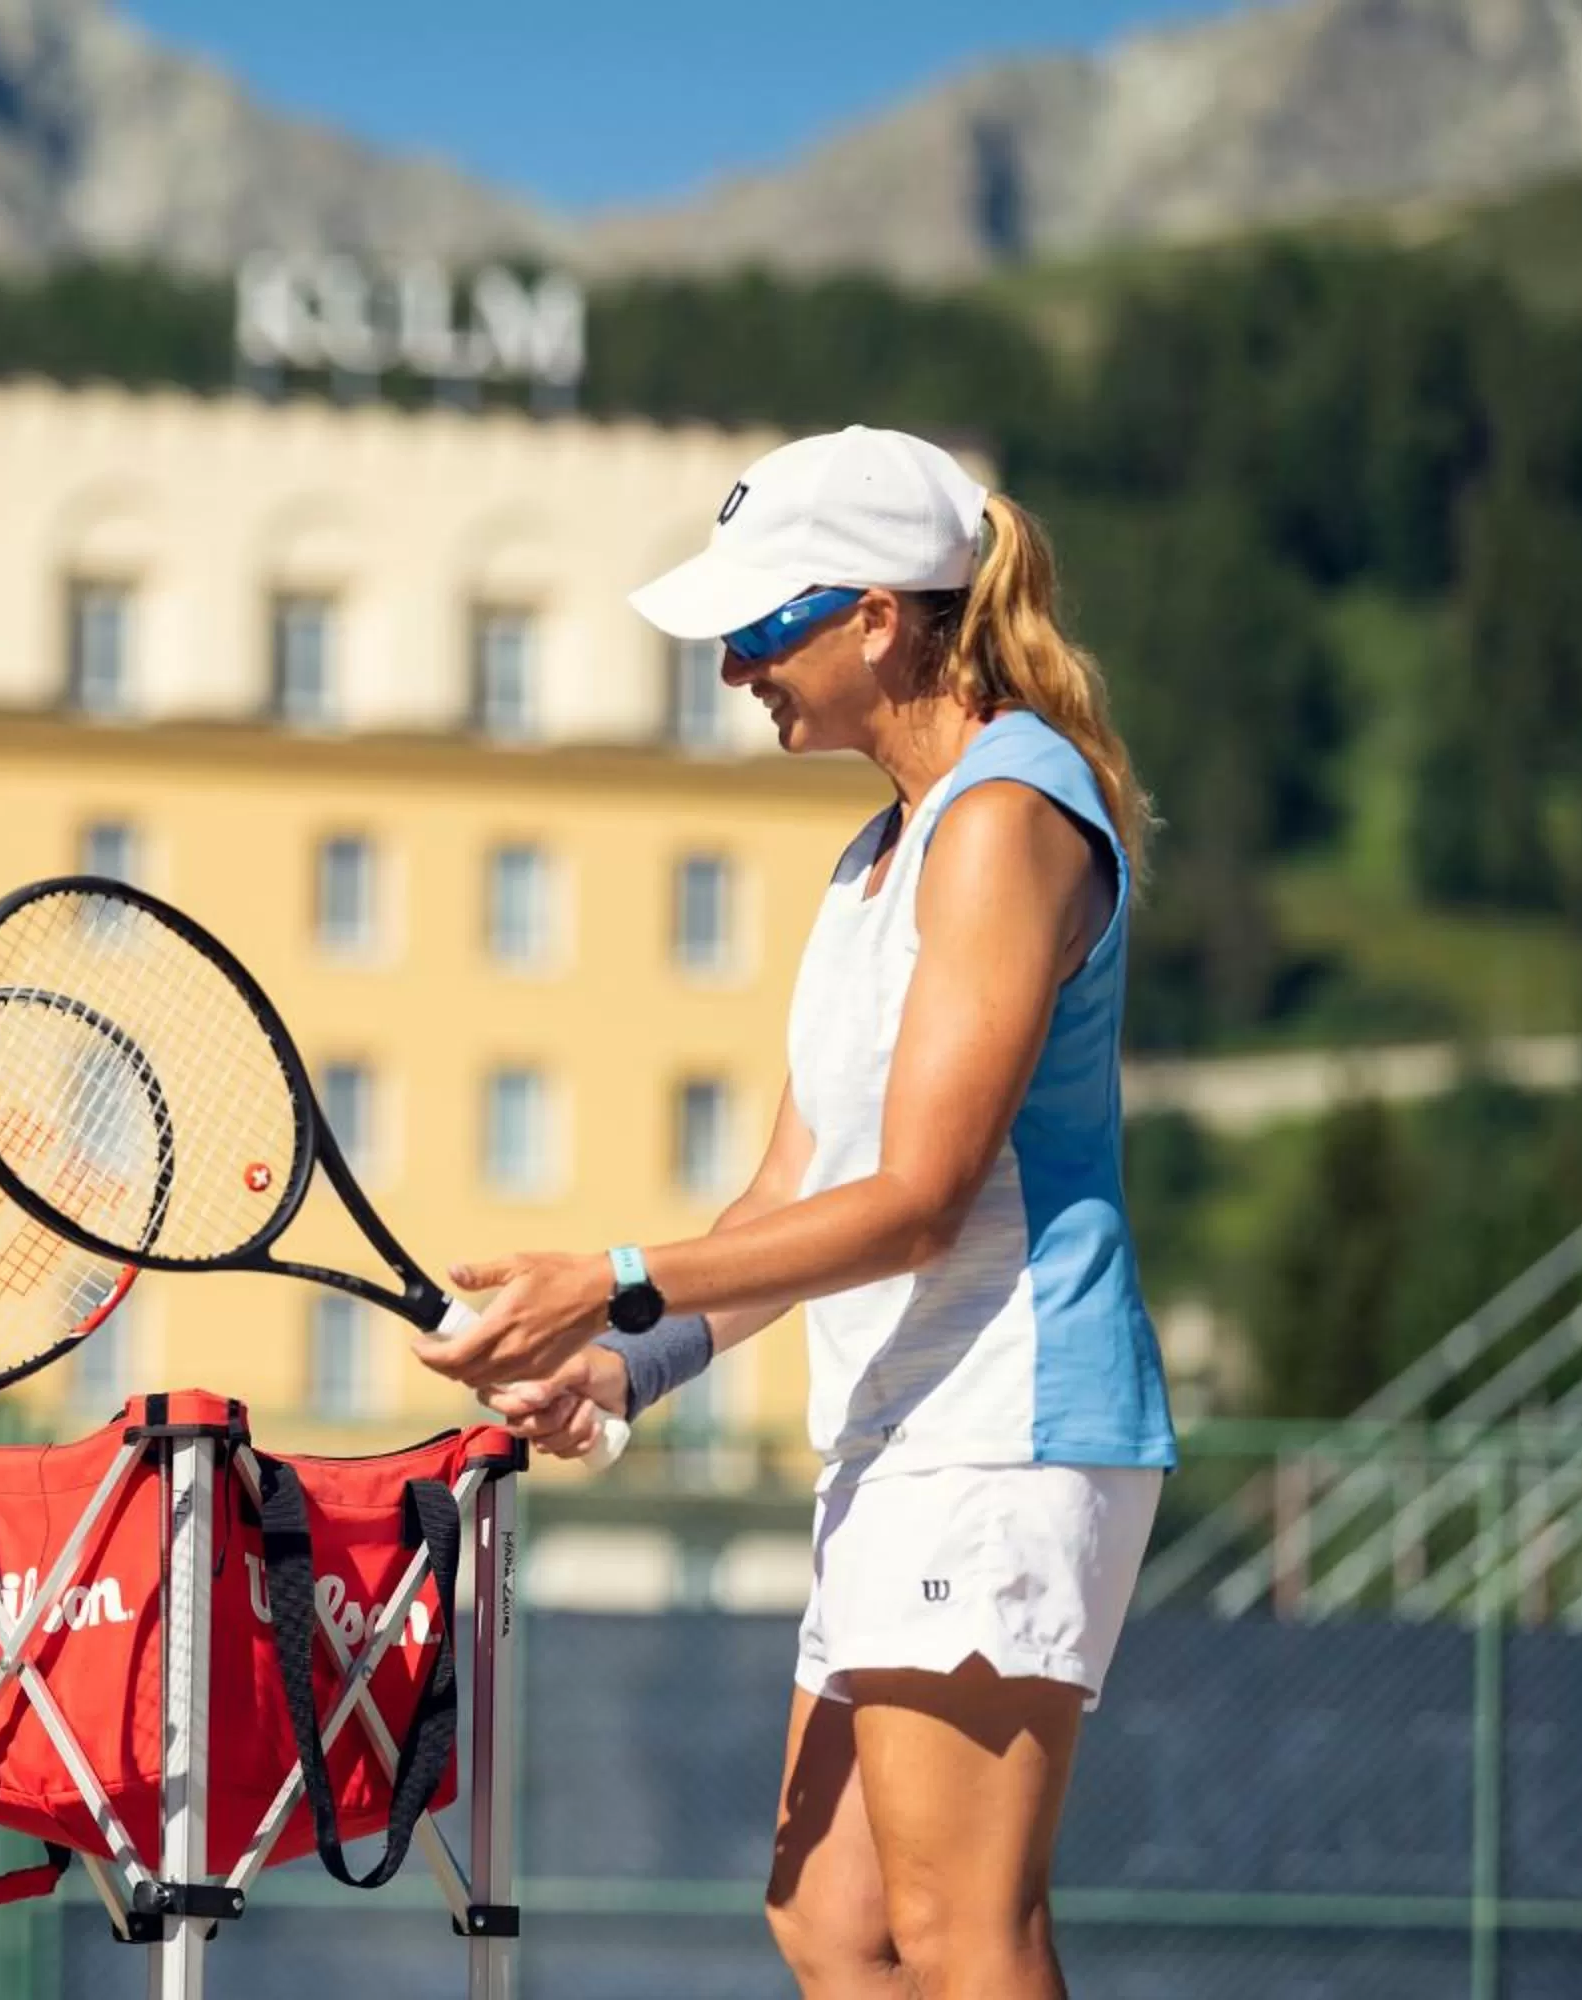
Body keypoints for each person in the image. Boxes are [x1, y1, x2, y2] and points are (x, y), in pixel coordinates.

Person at [416, 428, 1175, 2000]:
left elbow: (913, 1207)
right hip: (906, 1438)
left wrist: (606, 1279)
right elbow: (788, 1197)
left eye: (762, 629)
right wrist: (624, 1362)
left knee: (966, 1933)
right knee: (832, 1924)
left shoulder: (1009, 813)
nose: (734, 669)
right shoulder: (871, 862)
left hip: (1008, 1427)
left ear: (880, 616)